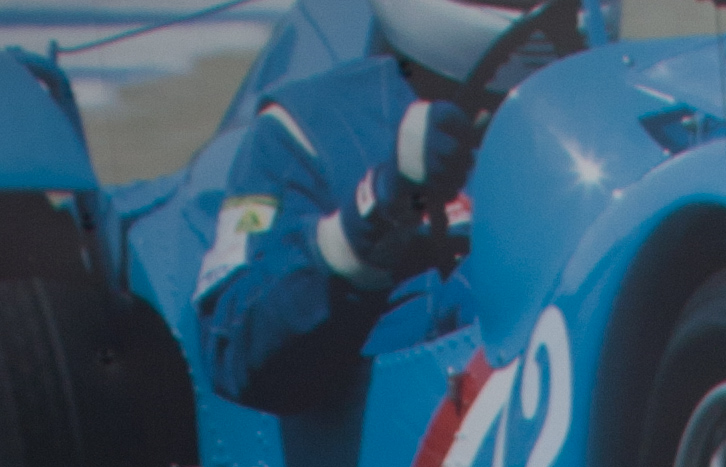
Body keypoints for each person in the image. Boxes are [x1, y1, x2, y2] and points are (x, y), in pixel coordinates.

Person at [193, 0, 514, 417]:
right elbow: (233, 354)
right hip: (411, 446)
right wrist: (376, 215)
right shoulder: (307, 128)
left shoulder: (602, 107)